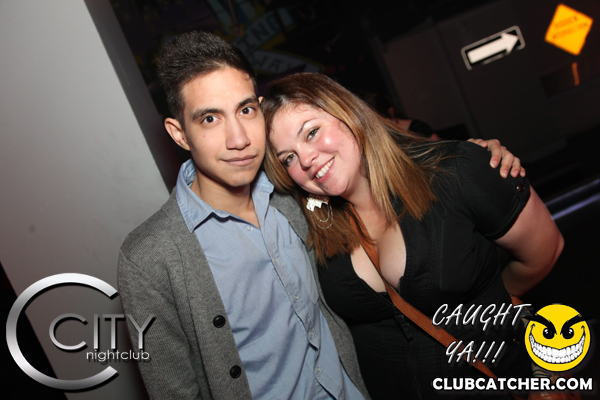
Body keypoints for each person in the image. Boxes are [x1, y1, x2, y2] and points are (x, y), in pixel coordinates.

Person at [118, 31, 523, 399]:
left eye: (245, 110)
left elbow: (368, 168)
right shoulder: (150, 258)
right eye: (210, 118)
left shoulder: (295, 194)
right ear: (179, 133)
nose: (238, 138)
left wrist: (470, 158)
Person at [261, 72, 564, 399]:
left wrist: (497, 298)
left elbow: (545, 251)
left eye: (312, 132)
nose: (305, 159)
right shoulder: (314, 220)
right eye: (288, 157)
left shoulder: (455, 171)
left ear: (348, 112)